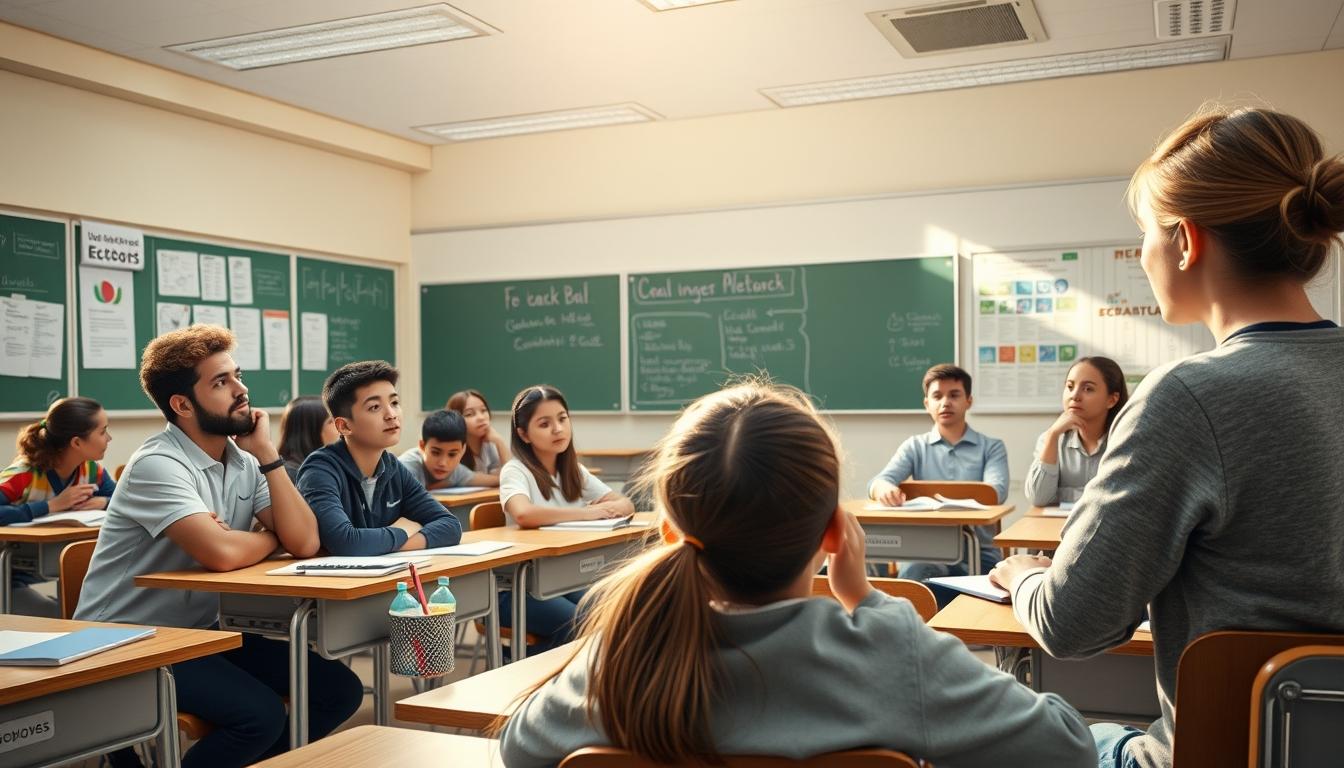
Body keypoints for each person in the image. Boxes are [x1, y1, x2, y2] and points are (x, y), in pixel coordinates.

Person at [990, 106, 1344, 768]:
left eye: (1145, 234)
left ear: (1185, 241)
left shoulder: (1189, 397)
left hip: (1226, 751)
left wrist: (1026, 576)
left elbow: (1073, 624)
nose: (1143, 254)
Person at [498, 381, 1095, 766]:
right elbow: (1067, 750)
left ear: (673, 533)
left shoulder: (624, 655)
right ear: (835, 536)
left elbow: (518, 746)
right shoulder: (890, 651)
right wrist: (871, 602)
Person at [73, 325, 362, 768]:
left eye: (237, 375)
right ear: (182, 404)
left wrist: (267, 456)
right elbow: (222, 555)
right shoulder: (157, 464)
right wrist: (268, 538)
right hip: (127, 639)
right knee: (259, 716)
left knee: (339, 690)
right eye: (221, 382)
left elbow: (304, 542)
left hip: (197, 634)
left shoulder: (245, 460)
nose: (242, 390)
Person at [497, 385, 635, 652]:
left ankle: (528, 662)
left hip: (563, 580)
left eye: (562, 419)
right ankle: (514, 665)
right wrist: (586, 513)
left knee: (614, 611)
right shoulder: (515, 470)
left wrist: (607, 509)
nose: (558, 429)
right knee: (582, 623)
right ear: (523, 434)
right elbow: (523, 513)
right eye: (545, 423)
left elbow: (626, 504)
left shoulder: (573, 470)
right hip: (518, 589)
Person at [868, 364, 1008, 594]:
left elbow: (995, 492)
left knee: (994, 584)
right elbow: (880, 480)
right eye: (937, 396)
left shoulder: (991, 447)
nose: (945, 402)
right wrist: (883, 487)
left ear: (968, 401)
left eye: (954, 395)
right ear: (927, 404)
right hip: (927, 549)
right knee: (914, 574)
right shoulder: (915, 446)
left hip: (980, 550)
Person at [299, 361, 462, 555]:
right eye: (375, 407)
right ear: (343, 426)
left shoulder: (391, 466)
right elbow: (346, 542)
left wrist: (387, 544)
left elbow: (451, 526)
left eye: (394, 403)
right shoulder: (320, 471)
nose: (392, 415)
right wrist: (405, 528)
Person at [0, 397, 115, 617]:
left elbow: (125, 498)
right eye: (102, 432)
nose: (108, 438)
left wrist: (105, 502)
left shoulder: (90, 470)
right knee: (62, 616)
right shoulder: (24, 475)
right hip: (6, 581)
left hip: (37, 572)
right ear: (77, 443)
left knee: (83, 614)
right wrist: (49, 506)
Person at [1023, 357, 1128, 506]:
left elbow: (1123, 499)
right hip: (1056, 528)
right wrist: (1053, 435)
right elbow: (1038, 498)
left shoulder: (1126, 441)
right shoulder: (1050, 439)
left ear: (1111, 400)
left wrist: (1061, 495)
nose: (1074, 396)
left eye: (1088, 389)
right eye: (1070, 387)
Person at [399, 410, 499, 489]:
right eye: (435, 453)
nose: (443, 463)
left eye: (452, 454)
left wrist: (499, 442)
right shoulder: (405, 469)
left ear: (463, 450)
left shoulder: (457, 472)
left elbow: (498, 480)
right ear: (422, 446)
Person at [446, 388, 509, 475]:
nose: (481, 417)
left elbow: (512, 474)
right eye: (469, 414)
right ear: (455, 419)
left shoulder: (490, 443)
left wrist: (499, 441)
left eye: (483, 410)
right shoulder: (450, 447)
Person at [277, 395, 338, 483]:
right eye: (331, 421)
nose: (340, 426)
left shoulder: (324, 466)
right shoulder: (293, 475)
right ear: (311, 430)